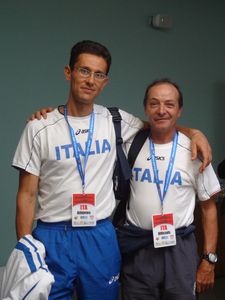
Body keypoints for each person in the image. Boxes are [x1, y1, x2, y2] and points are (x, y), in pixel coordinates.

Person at [12, 40, 211, 300]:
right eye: (84, 71)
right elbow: (26, 196)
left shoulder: (115, 120)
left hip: (100, 235)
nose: (90, 80)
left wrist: (195, 133)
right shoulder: (39, 127)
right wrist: (26, 250)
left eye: (99, 74)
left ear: (105, 82)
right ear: (68, 72)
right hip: (53, 235)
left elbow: (160, 124)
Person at [118, 79, 220, 300]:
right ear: (145, 108)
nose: (161, 110)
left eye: (169, 104)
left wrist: (208, 260)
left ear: (179, 110)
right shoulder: (129, 145)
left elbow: (209, 209)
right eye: (154, 104)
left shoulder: (194, 151)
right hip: (139, 247)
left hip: (179, 250)